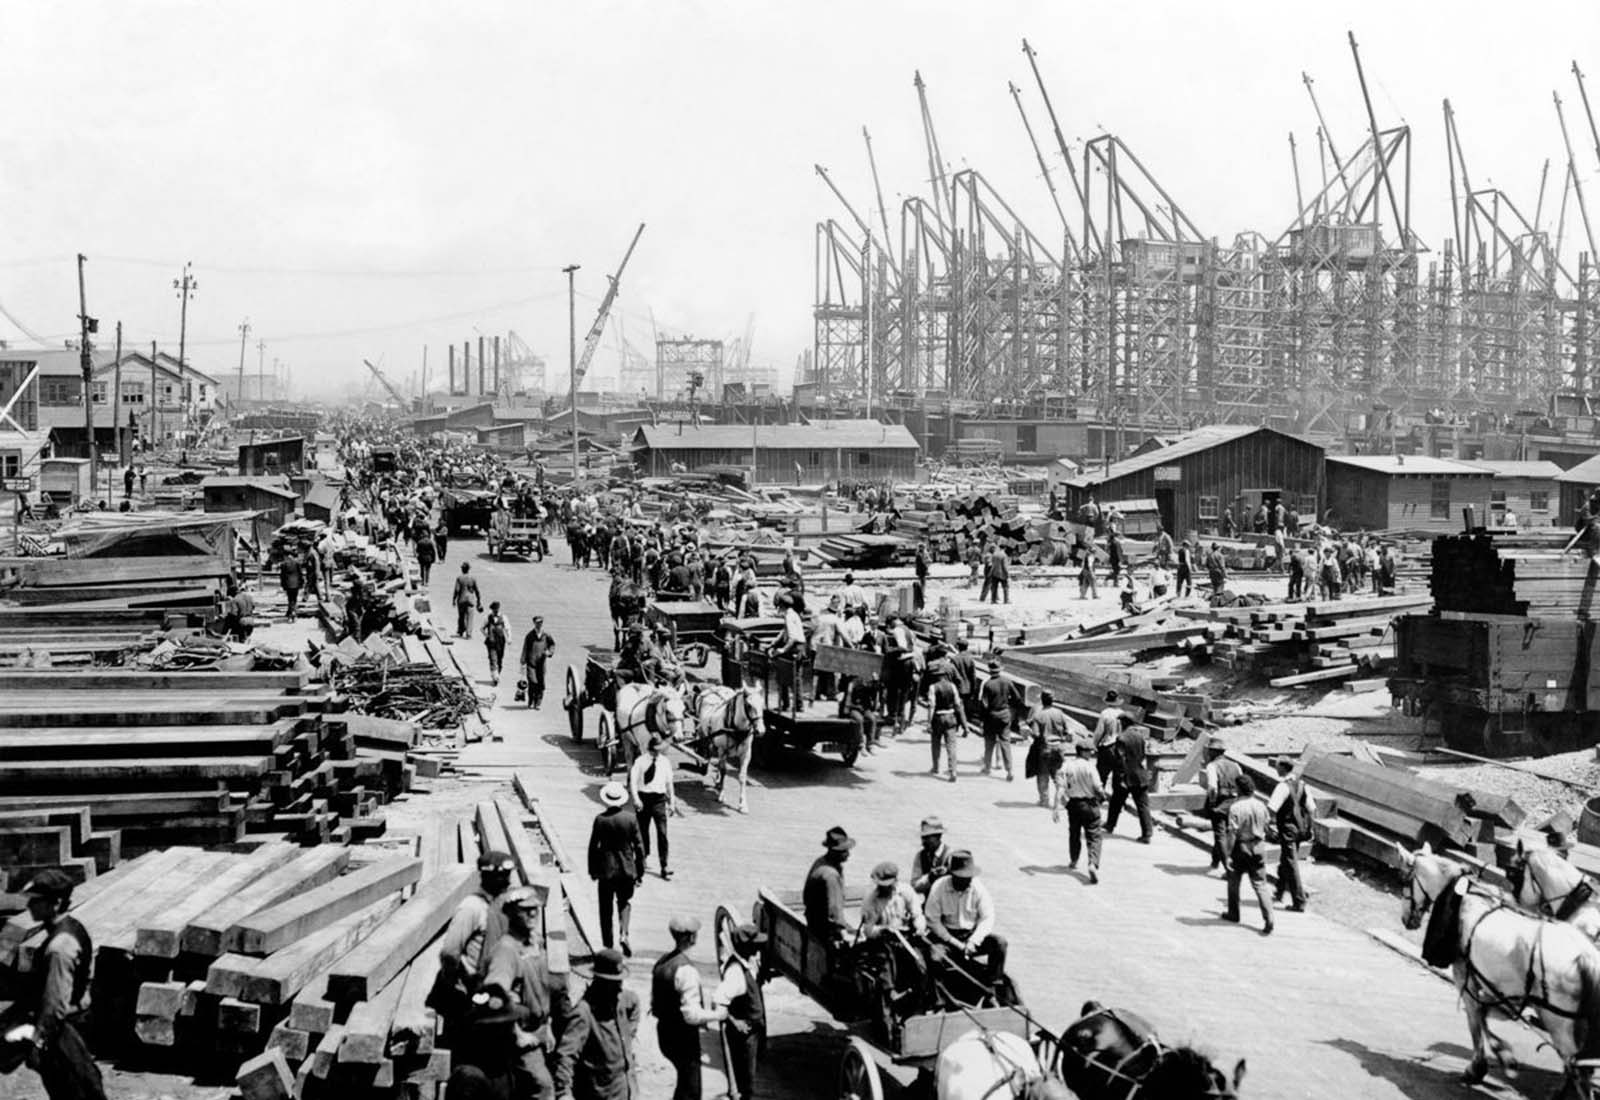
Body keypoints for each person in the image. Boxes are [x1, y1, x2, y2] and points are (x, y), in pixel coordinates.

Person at [6, 870, 104, 1100]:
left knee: (74, 1092)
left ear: (56, 903)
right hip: (72, 1024)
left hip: (62, 1033)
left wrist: (38, 1043)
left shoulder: (59, 947)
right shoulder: (72, 927)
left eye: (36, 900)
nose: (29, 905)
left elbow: (55, 1005)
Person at [477, 886, 573, 1100]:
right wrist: (517, 1033)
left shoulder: (533, 944)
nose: (532, 914)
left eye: (535, 910)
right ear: (511, 914)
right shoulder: (507, 950)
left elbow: (544, 989)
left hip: (538, 1030)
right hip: (516, 1037)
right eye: (525, 910)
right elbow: (495, 995)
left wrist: (546, 1026)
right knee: (543, 1088)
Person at [434, 849, 517, 1044]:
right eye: (500, 877)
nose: (506, 881)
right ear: (486, 877)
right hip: (472, 990)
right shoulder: (472, 907)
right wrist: (457, 984)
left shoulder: (503, 905)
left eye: (507, 876)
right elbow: (450, 952)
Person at [651, 916, 726, 1100]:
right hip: (682, 1037)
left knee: (684, 1084)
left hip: (664, 1031)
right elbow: (691, 1015)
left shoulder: (662, 962)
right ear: (691, 938)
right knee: (691, 1089)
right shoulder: (687, 971)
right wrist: (717, 1015)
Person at [553, 948, 639, 1100]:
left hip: (624, 1089)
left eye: (619, 981)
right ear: (600, 981)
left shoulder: (619, 1000)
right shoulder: (584, 1013)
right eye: (614, 982)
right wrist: (563, 1092)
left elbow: (634, 1003)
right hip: (600, 1093)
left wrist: (629, 1034)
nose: (619, 986)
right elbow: (566, 1055)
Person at [923, 851, 1008, 989]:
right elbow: (932, 920)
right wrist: (955, 943)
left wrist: (973, 942)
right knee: (935, 958)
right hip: (946, 938)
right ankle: (939, 998)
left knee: (1000, 943)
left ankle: (994, 986)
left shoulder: (978, 888)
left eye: (968, 877)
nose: (966, 881)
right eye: (961, 877)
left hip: (970, 936)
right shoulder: (939, 887)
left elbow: (987, 918)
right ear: (952, 875)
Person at [587, 782, 645, 956]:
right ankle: (624, 933)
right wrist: (639, 871)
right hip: (626, 869)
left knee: (605, 909)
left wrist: (592, 870)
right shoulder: (631, 819)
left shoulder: (600, 819)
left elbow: (593, 847)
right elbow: (640, 847)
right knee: (624, 902)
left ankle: (608, 947)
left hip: (606, 871)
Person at [712, 924, 769, 1100]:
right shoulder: (735, 972)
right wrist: (735, 1022)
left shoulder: (747, 963)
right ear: (746, 946)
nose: (759, 946)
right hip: (744, 1036)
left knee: (748, 1080)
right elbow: (718, 1001)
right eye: (755, 944)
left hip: (752, 1033)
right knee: (745, 1083)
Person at [1223, 775, 1275, 935]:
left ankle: (1233, 913)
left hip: (1242, 847)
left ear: (1238, 789)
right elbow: (1267, 825)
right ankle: (1269, 917)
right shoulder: (1261, 805)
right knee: (1260, 884)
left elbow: (1232, 833)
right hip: (1259, 846)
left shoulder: (1235, 807)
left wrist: (1228, 854)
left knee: (1234, 881)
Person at [1052, 740, 1107, 884]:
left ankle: (1074, 860)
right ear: (1082, 751)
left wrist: (1056, 807)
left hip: (1073, 805)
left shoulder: (1067, 766)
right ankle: (1092, 864)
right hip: (1089, 805)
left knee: (1074, 833)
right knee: (1094, 835)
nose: (1091, 753)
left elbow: (1060, 788)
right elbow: (1098, 787)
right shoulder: (1090, 767)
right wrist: (1102, 797)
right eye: (1089, 751)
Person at [1267, 757, 1314, 912]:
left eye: (1277, 766)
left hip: (1287, 829)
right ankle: (1279, 891)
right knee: (1286, 859)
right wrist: (1310, 829)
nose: (1276, 768)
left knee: (1290, 862)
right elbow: (1311, 809)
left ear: (1283, 768)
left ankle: (1299, 901)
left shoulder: (1282, 786)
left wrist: (1268, 826)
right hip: (1300, 829)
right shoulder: (1303, 786)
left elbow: (1272, 808)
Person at [628, 736, 676, 880]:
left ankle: (664, 866)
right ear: (649, 749)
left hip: (659, 800)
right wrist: (636, 799)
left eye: (659, 750)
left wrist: (672, 802)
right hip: (644, 799)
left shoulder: (665, 762)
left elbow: (669, 784)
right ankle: (640, 867)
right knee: (642, 834)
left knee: (662, 833)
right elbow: (633, 782)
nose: (657, 753)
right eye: (655, 751)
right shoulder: (640, 761)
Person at [1026, 691, 1082, 809]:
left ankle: (1044, 800)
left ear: (1042, 700)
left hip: (1044, 748)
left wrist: (1028, 729)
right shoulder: (1059, 713)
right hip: (1059, 748)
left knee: (1043, 774)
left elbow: (1036, 734)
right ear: (1053, 700)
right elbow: (1067, 730)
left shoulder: (1038, 716)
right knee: (1057, 774)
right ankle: (1063, 799)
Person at [1104, 713, 1153, 843]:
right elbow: (1142, 756)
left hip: (1126, 776)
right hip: (1139, 775)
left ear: (1123, 723)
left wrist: (1120, 778)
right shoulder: (1140, 737)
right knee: (1142, 805)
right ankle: (1147, 833)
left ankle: (1110, 825)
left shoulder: (1122, 738)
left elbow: (1120, 761)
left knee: (1115, 802)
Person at [803, 826, 855, 949]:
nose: (848, 854)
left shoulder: (821, 861)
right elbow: (834, 911)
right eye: (845, 851)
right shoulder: (831, 876)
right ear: (835, 852)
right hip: (823, 929)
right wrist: (842, 932)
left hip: (813, 920)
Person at [1203, 738, 1243, 874]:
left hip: (1220, 803)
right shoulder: (1236, 765)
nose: (1208, 753)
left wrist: (1213, 803)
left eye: (1209, 751)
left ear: (1213, 752)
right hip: (1235, 803)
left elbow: (1212, 788)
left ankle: (1228, 867)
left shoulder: (1212, 766)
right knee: (1227, 833)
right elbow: (1242, 782)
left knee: (1220, 835)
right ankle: (1215, 861)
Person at [976, 660, 1021, 780]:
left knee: (989, 743)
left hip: (991, 716)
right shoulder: (1007, 681)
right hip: (1005, 715)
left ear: (989, 670)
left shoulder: (988, 684)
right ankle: (1009, 770)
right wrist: (1008, 707)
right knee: (1005, 743)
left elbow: (984, 705)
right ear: (1000, 669)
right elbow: (1017, 698)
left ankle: (987, 767)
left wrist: (982, 720)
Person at [860, 861, 926, 938]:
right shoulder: (870, 899)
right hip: (882, 939)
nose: (885, 888)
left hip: (906, 935)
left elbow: (917, 914)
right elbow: (868, 929)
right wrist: (882, 930)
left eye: (888, 885)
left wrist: (919, 928)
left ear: (895, 881)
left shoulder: (906, 890)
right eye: (882, 886)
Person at [926, 664, 967, 782]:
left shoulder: (933, 687)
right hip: (950, 717)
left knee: (935, 743)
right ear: (945, 676)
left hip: (938, 717)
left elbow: (931, 706)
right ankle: (953, 770)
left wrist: (928, 722)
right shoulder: (952, 686)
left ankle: (936, 767)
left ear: (936, 676)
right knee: (951, 746)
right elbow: (958, 705)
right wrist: (964, 725)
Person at [910, 816, 953, 898]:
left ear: (938, 836)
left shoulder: (950, 855)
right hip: (928, 905)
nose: (923, 842)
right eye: (922, 838)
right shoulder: (920, 856)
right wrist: (930, 878)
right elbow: (915, 887)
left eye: (927, 838)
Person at [520, 615, 556, 709]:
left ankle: (538, 703)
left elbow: (552, 644)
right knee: (532, 682)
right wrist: (523, 660)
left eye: (540, 623)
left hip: (541, 664)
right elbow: (525, 648)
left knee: (541, 684)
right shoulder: (530, 635)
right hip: (531, 663)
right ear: (534, 623)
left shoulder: (546, 635)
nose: (539, 624)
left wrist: (549, 652)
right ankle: (531, 701)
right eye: (537, 623)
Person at [1092, 691, 1125, 786]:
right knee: (1118, 777)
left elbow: (1099, 731)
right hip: (1119, 746)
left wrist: (1094, 744)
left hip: (1107, 745)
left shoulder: (1105, 713)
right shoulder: (1122, 713)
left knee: (1101, 775)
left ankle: (1100, 797)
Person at [453, 562, 483, 639]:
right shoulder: (473, 578)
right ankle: (468, 634)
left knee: (461, 616)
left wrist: (454, 599)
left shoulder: (459, 578)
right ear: (468, 569)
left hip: (461, 599)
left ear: (462, 569)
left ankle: (460, 630)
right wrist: (479, 601)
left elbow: (457, 590)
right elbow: (477, 591)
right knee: (470, 617)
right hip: (470, 600)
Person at [482, 601, 509, 686]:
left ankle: (497, 674)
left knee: (500, 660)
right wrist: (487, 635)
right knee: (493, 659)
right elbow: (482, 628)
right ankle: (495, 676)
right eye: (494, 609)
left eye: (497, 609)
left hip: (501, 641)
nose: (495, 611)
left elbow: (508, 628)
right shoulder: (488, 617)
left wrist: (509, 638)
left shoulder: (503, 617)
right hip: (491, 642)